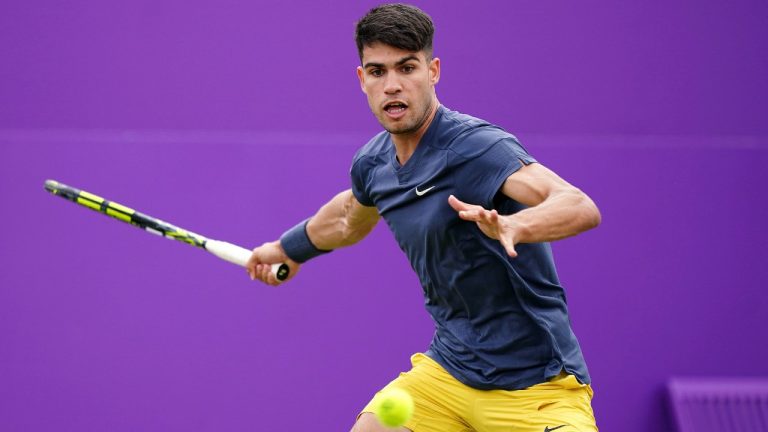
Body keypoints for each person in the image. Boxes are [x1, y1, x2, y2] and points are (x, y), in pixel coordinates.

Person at [246, 4, 601, 432]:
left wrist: (516, 225)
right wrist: (287, 249)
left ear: (433, 71)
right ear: (362, 80)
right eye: (377, 71)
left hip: (537, 388)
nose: (392, 86)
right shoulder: (374, 164)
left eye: (407, 68)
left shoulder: (477, 147)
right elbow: (345, 220)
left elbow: (578, 205)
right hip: (448, 375)